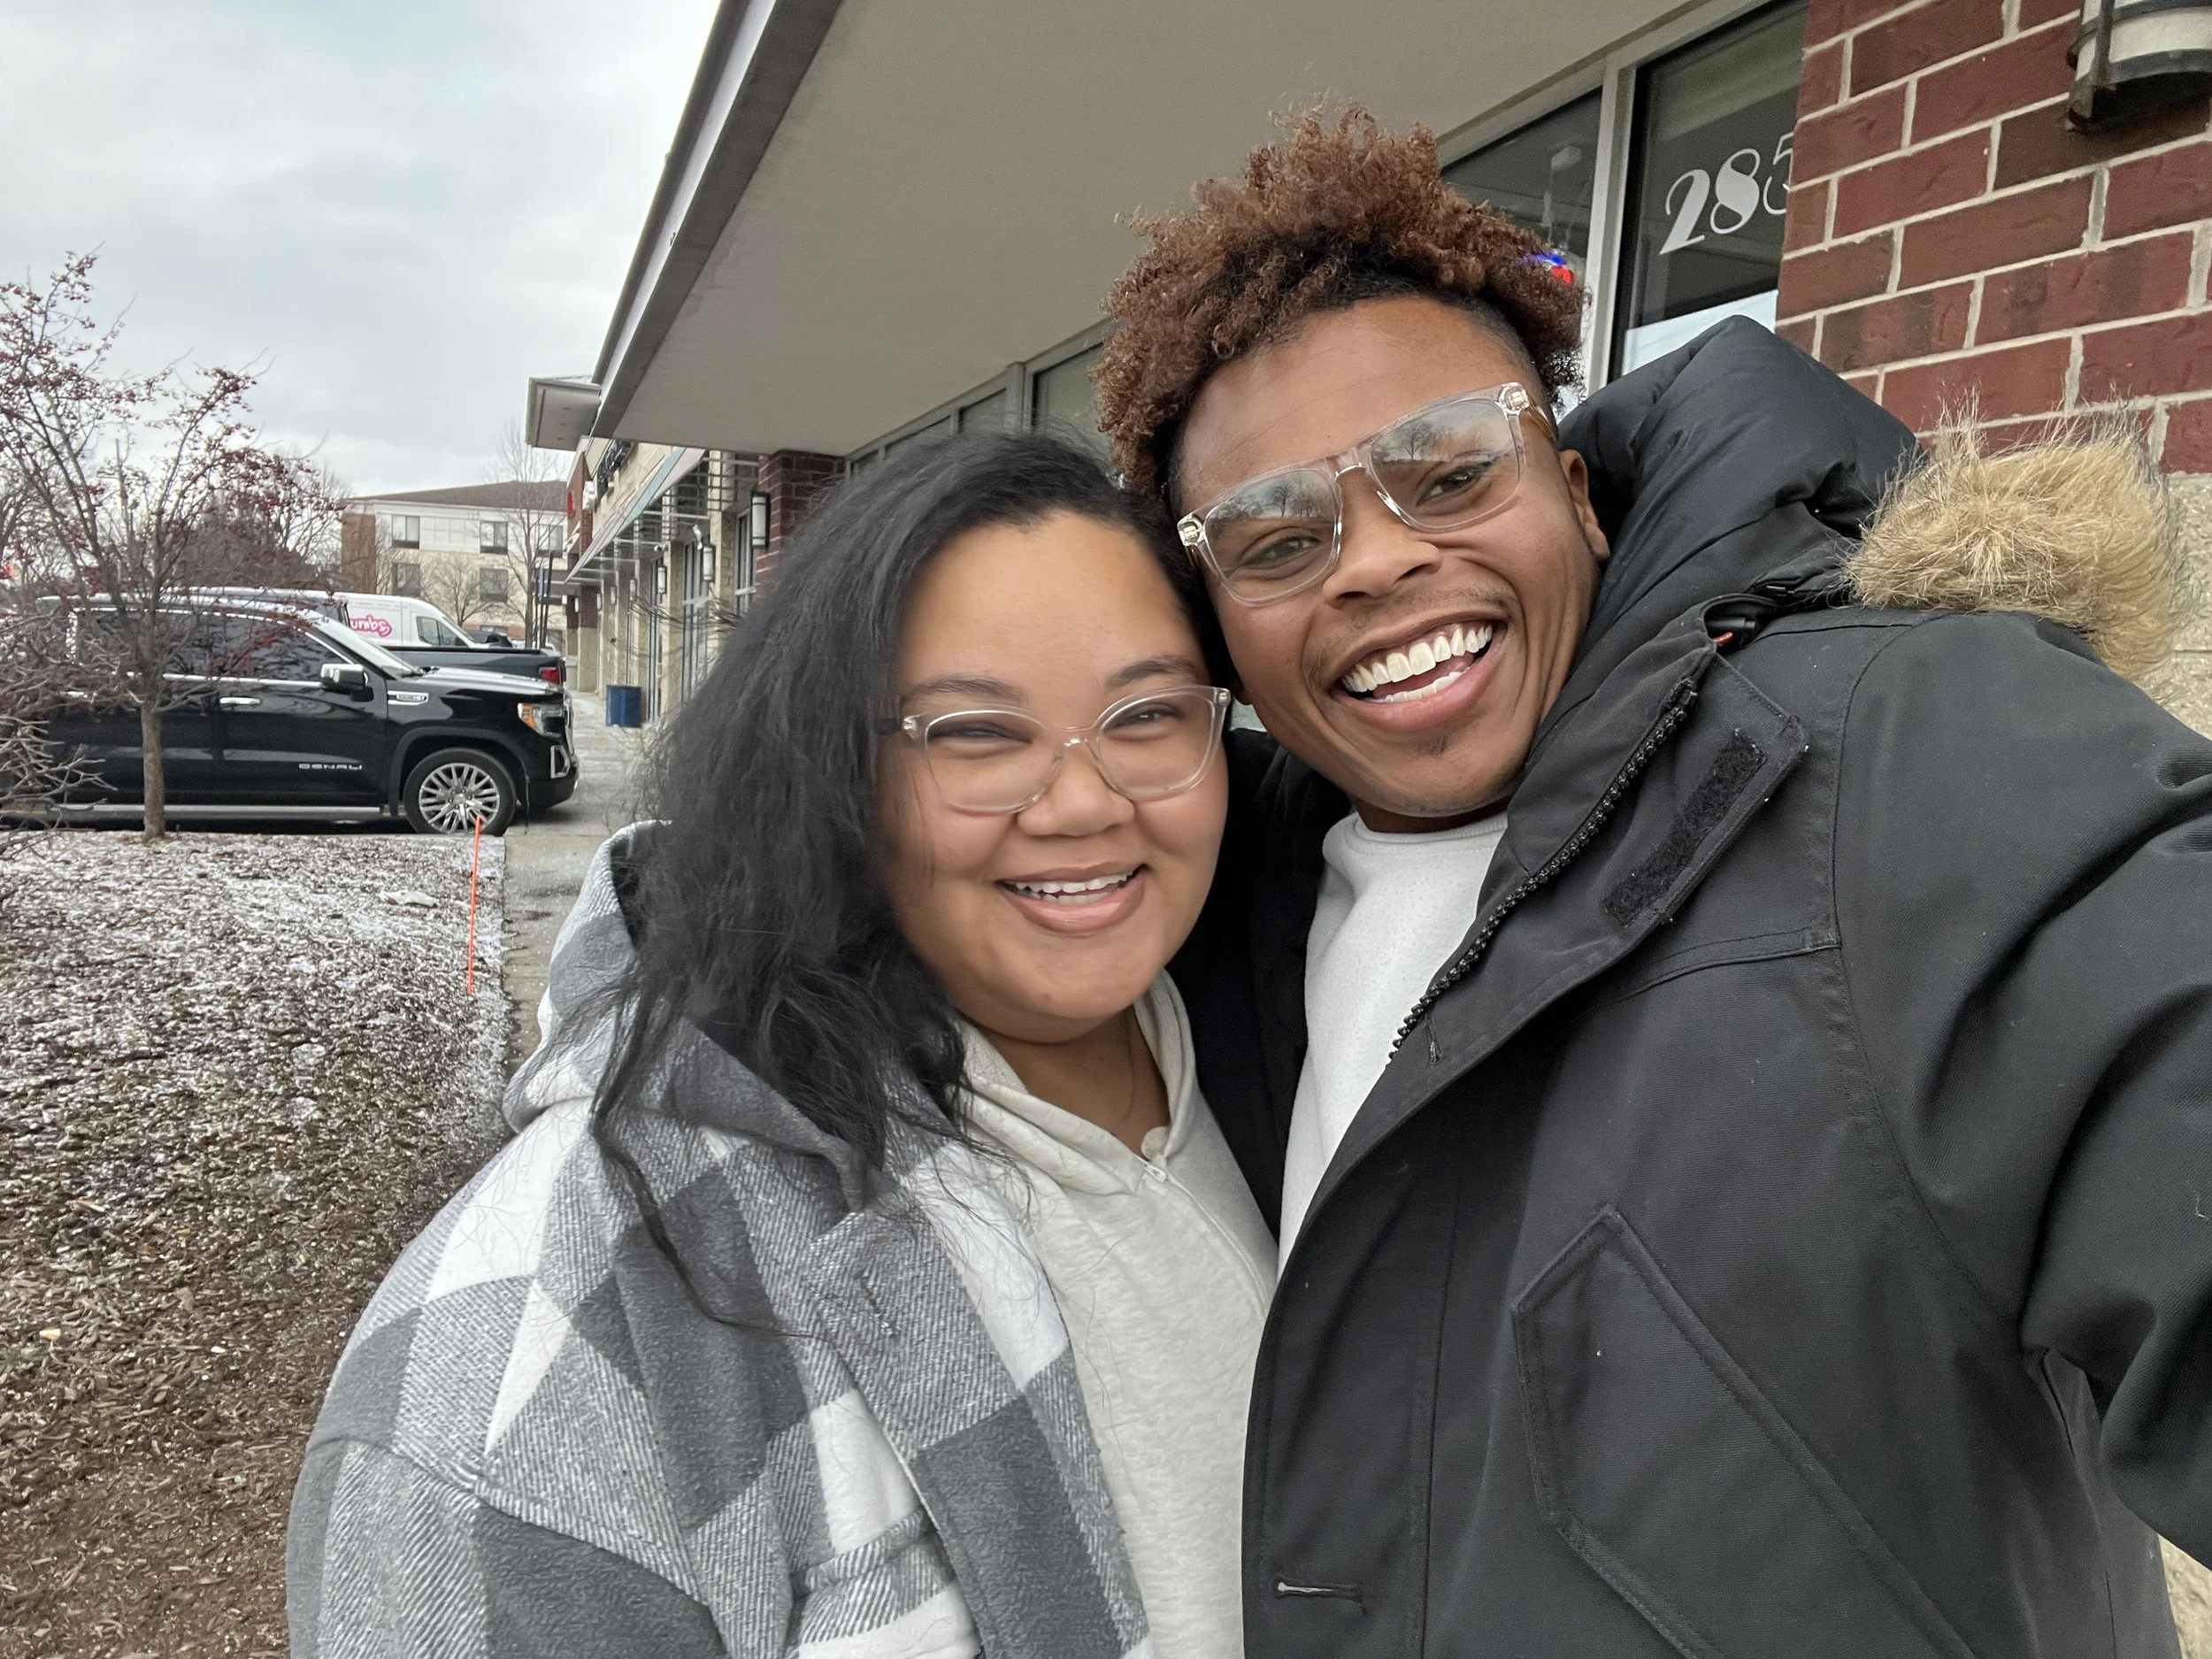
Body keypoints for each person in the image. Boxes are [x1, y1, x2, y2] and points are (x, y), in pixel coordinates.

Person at [1095, 111, 2212, 1655]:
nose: (1369, 559)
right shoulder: (1215, 899)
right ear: (1219, 624)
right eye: (1274, 534)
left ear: (1578, 490)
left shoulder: (1911, 752)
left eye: (1443, 468)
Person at [286, 434, 1275, 1659]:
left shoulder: (1278, 1038)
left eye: (1146, 712)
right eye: (974, 732)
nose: (1082, 802)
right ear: (825, 764)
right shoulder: (536, 1372)